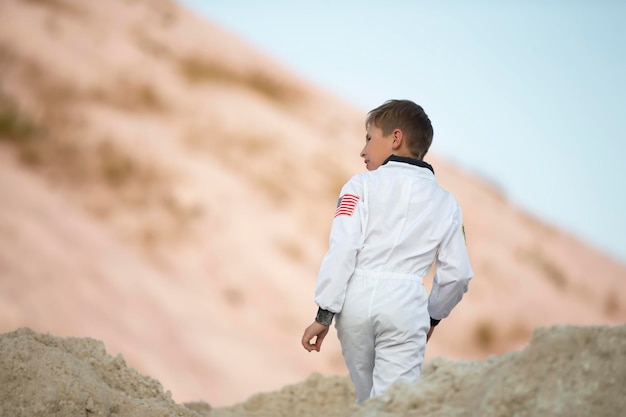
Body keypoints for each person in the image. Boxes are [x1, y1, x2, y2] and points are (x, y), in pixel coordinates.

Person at [301, 99, 474, 404]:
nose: (363, 150)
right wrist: (432, 317)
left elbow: (343, 249)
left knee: (367, 400)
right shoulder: (447, 203)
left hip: (355, 304)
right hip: (405, 307)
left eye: (369, 138)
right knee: (392, 405)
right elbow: (457, 275)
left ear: (395, 138)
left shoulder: (359, 186)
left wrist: (324, 313)